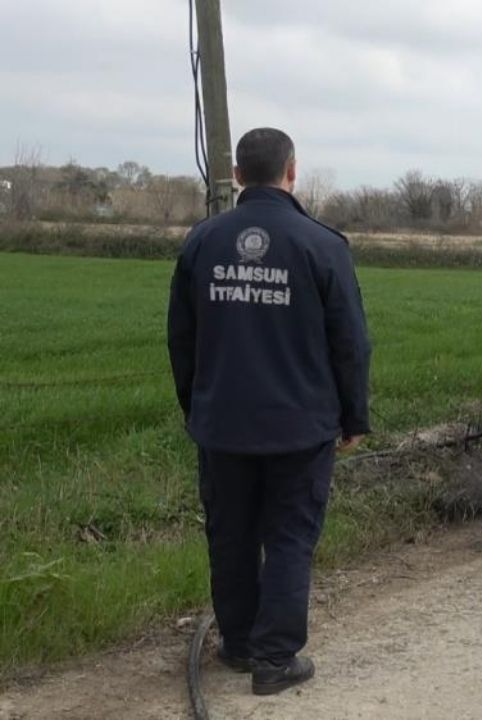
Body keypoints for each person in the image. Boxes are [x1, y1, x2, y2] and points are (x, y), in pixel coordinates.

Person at [166, 128, 371, 695]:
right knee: (288, 537)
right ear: (292, 171)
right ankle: (274, 660)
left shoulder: (203, 242)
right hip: (298, 428)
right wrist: (354, 417)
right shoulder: (323, 245)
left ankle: (237, 645)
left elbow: (181, 339)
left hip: (221, 425)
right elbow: (350, 343)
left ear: (235, 175)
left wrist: (198, 408)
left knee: (229, 534)